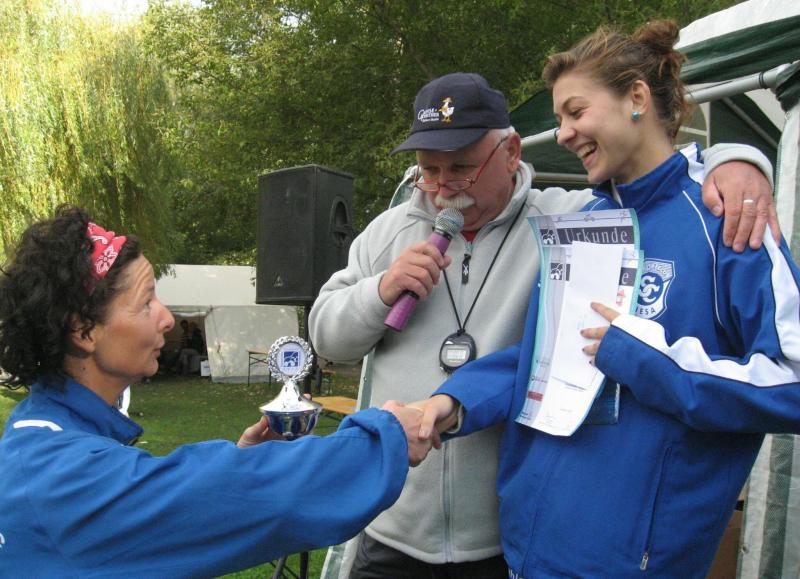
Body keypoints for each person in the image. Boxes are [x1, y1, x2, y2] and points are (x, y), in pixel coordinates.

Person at [309, 71, 777, 578]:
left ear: (511, 151)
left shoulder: (572, 222)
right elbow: (328, 339)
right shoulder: (388, 232)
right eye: (429, 170)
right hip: (393, 525)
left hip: (501, 534)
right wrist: (379, 292)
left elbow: (652, 183)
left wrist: (736, 161)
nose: (443, 188)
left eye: (461, 168)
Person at [414, 22, 800, 578]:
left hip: (630, 562)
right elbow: (544, 358)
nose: (563, 133)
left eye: (575, 111)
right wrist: (452, 401)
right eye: (560, 118)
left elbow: (791, 381)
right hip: (527, 550)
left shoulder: (728, 219)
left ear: (636, 98)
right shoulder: (589, 221)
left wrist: (651, 361)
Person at [0, 205, 436, 576]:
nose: (166, 319)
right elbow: (236, 495)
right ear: (83, 330)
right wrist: (386, 437)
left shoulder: (46, 434)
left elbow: (170, 522)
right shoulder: (58, 476)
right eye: (146, 302)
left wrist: (245, 461)